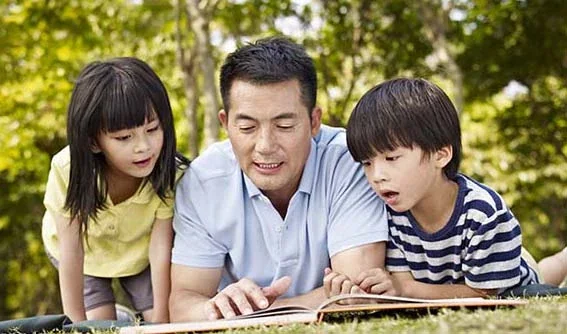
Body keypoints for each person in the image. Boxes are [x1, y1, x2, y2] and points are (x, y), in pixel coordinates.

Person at [169, 37, 390, 322]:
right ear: (225, 124)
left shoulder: (350, 160)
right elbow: (183, 304)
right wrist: (214, 307)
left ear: (314, 122)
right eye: (247, 126)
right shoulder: (203, 182)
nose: (265, 145)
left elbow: (354, 293)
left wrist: (253, 314)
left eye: (284, 125)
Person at [325, 78, 540, 299]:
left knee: (545, 274)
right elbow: (400, 281)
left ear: (441, 155)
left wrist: (403, 289)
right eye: (367, 163)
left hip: (512, 280)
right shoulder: (389, 213)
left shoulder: (484, 214)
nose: (377, 176)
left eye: (392, 158)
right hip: (460, 277)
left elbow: (485, 294)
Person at [41, 57, 189, 323]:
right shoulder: (68, 168)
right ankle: (119, 315)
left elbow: (160, 249)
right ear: (93, 142)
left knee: (160, 315)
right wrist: (76, 324)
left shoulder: (169, 173)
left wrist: (163, 323)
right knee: (100, 324)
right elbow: (72, 249)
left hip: (140, 254)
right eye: (124, 138)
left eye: (152, 129)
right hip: (86, 259)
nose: (143, 146)